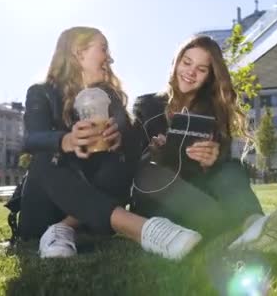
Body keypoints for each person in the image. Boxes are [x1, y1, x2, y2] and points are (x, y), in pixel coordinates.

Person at [20, 26, 204, 260]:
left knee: (123, 154)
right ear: (79, 52)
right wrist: (66, 140)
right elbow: (31, 139)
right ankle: (145, 230)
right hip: (45, 209)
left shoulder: (109, 97)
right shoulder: (41, 92)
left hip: (94, 215)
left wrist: (121, 138)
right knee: (45, 156)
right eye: (104, 49)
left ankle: (66, 228)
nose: (110, 58)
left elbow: (130, 141)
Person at [130, 35, 277, 253]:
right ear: (176, 62)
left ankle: (253, 224)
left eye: (202, 69)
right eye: (187, 62)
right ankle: (248, 232)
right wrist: (153, 151)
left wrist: (212, 159)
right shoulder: (147, 105)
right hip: (158, 195)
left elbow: (221, 171)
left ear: (210, 76)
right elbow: (131, 164)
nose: (191, 72)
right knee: (152, 175)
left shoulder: (212, 113)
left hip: (198, 194)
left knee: (230, 167)